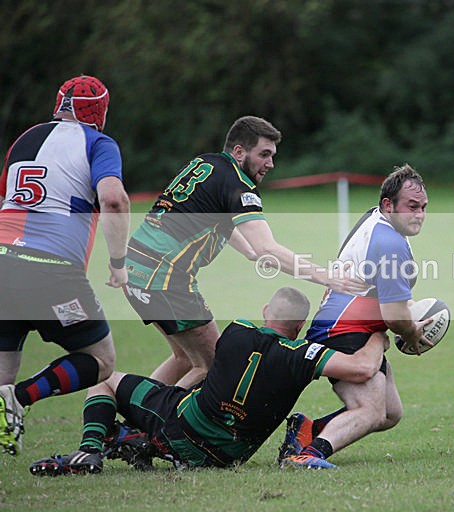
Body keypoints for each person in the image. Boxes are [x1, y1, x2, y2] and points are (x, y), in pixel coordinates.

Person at [29, 287, 389, 474]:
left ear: (266, 312)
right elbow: (362, 369)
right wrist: (380, 333)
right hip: (227, 457)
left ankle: (92, 449)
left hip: (179, 427)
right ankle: (136, 438)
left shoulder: (235, 331)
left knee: (105, 380)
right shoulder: (303, 355)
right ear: (298, 327)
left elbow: (205, 362)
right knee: (180, 396)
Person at [122, 116, 368, 389]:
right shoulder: (238, 183)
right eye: (264, 154)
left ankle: (132, 420)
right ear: (239, 152)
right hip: (164, 277)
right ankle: (148, 422)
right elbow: (267, 248)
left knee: (184, 357)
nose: (270, 164)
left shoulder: (206, 163)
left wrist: (251, 253)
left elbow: (216, 217)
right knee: (211, 363)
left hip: (134, 267)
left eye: (272, 156)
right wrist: (327, 278)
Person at [0, 75, 131, 456]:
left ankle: (8, 407)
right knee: (101, 360)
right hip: (50, 268)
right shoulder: (99, 142)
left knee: (1, 374)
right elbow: (114, 199)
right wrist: (118, 262)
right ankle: (21, 399)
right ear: (101, 111)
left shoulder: (25, 138)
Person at [278, 164, 430, 469]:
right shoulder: (389, 241)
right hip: (343, 327)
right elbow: (395, 316)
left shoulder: (379, 221)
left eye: (424, 207)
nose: (420, 214)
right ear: (389, 205)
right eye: (412, 207)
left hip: (348, 321)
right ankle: (307, 455)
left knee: (390, 412)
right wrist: (411, 332)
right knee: (371, 411)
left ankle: (307, 430)